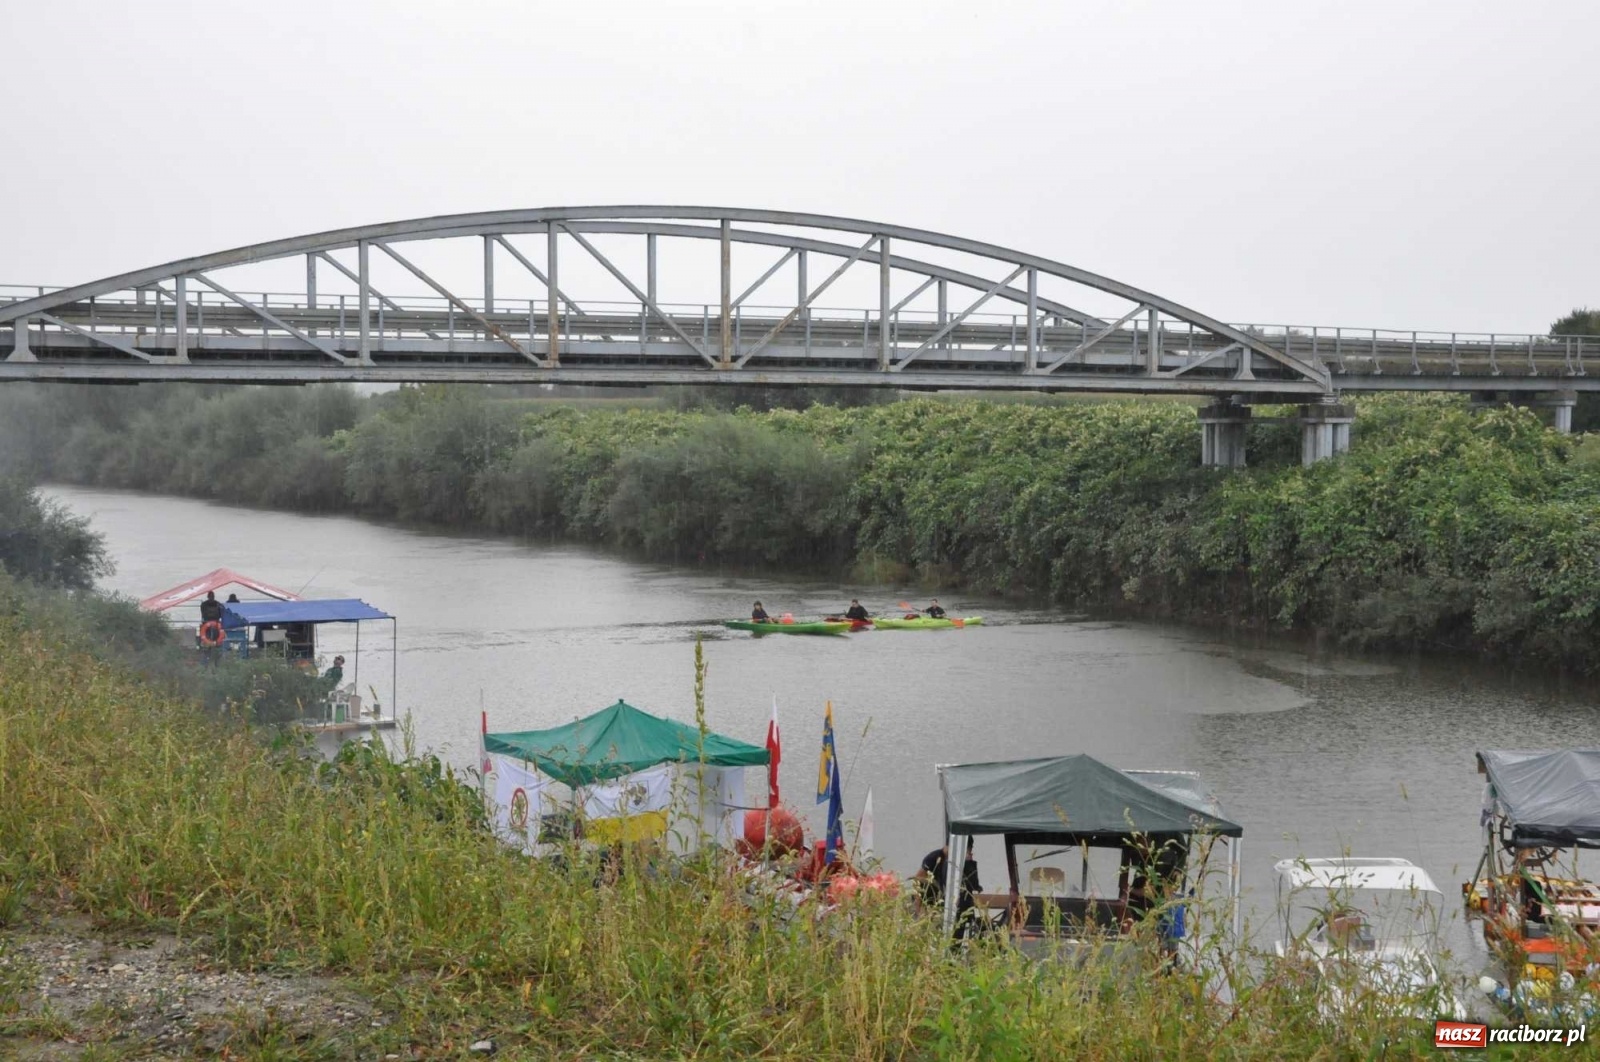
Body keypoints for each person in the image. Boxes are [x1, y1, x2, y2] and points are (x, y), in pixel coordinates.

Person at [915, 840, 982, 937]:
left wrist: (968, 863)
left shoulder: (955, 861)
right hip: (927, 903)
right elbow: (918, 880)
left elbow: (970, 885)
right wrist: (919, 908)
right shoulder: (934, 857)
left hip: (941, 905)